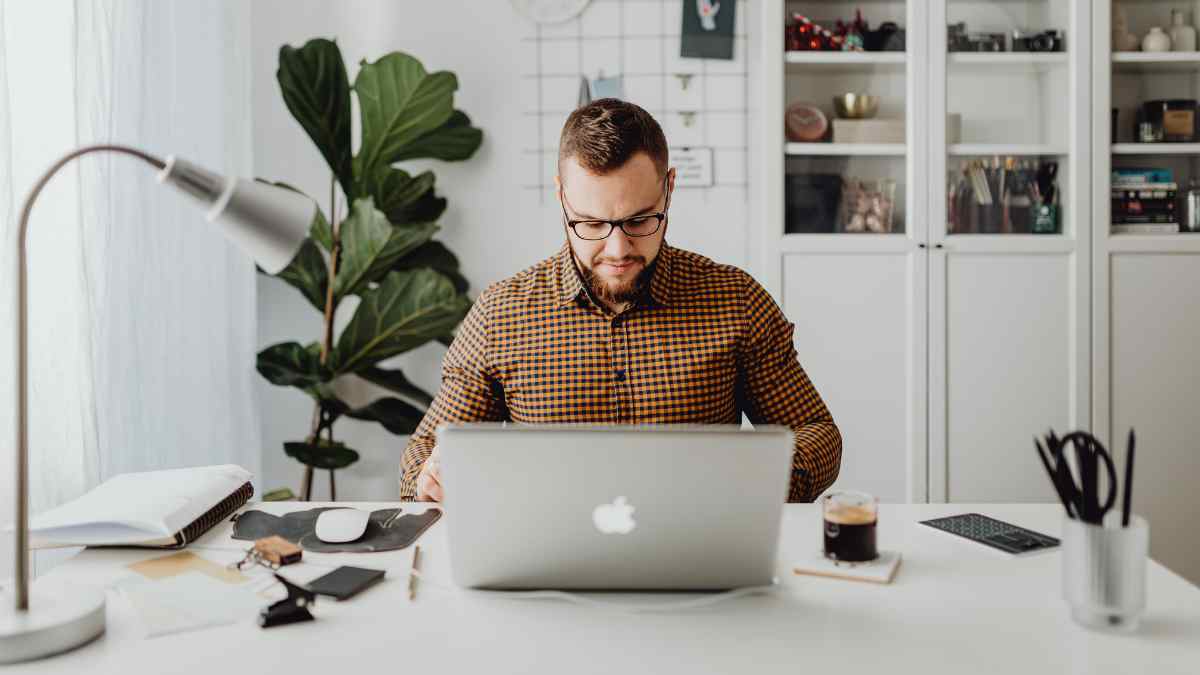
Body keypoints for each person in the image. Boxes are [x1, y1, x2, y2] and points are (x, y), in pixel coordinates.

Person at [400, 98, 841, 503]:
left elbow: (817, 433)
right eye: (590, 224)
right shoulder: (502, 314)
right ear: (561, 196)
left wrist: (757, 482)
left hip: (700, 555)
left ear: (669, 189)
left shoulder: (736, 300)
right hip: (545, 561)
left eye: (639, 220)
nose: (616, 250)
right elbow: (426, 449)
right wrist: (430, 477)